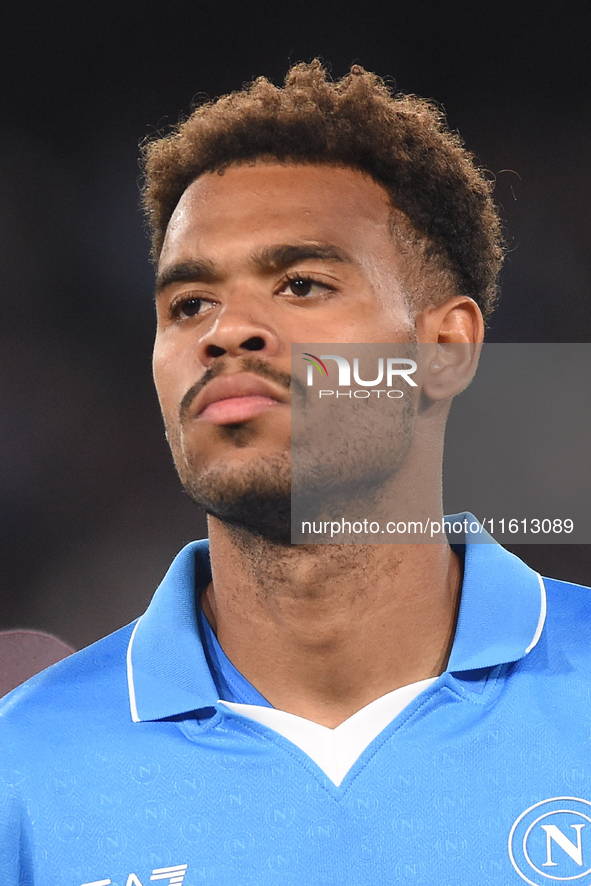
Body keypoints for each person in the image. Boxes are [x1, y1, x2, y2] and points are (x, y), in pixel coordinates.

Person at [1, 61, 589, 886]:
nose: (226, 332)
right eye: (189, 304)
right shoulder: (22, 768)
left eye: (301, 284)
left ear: (445, 349)